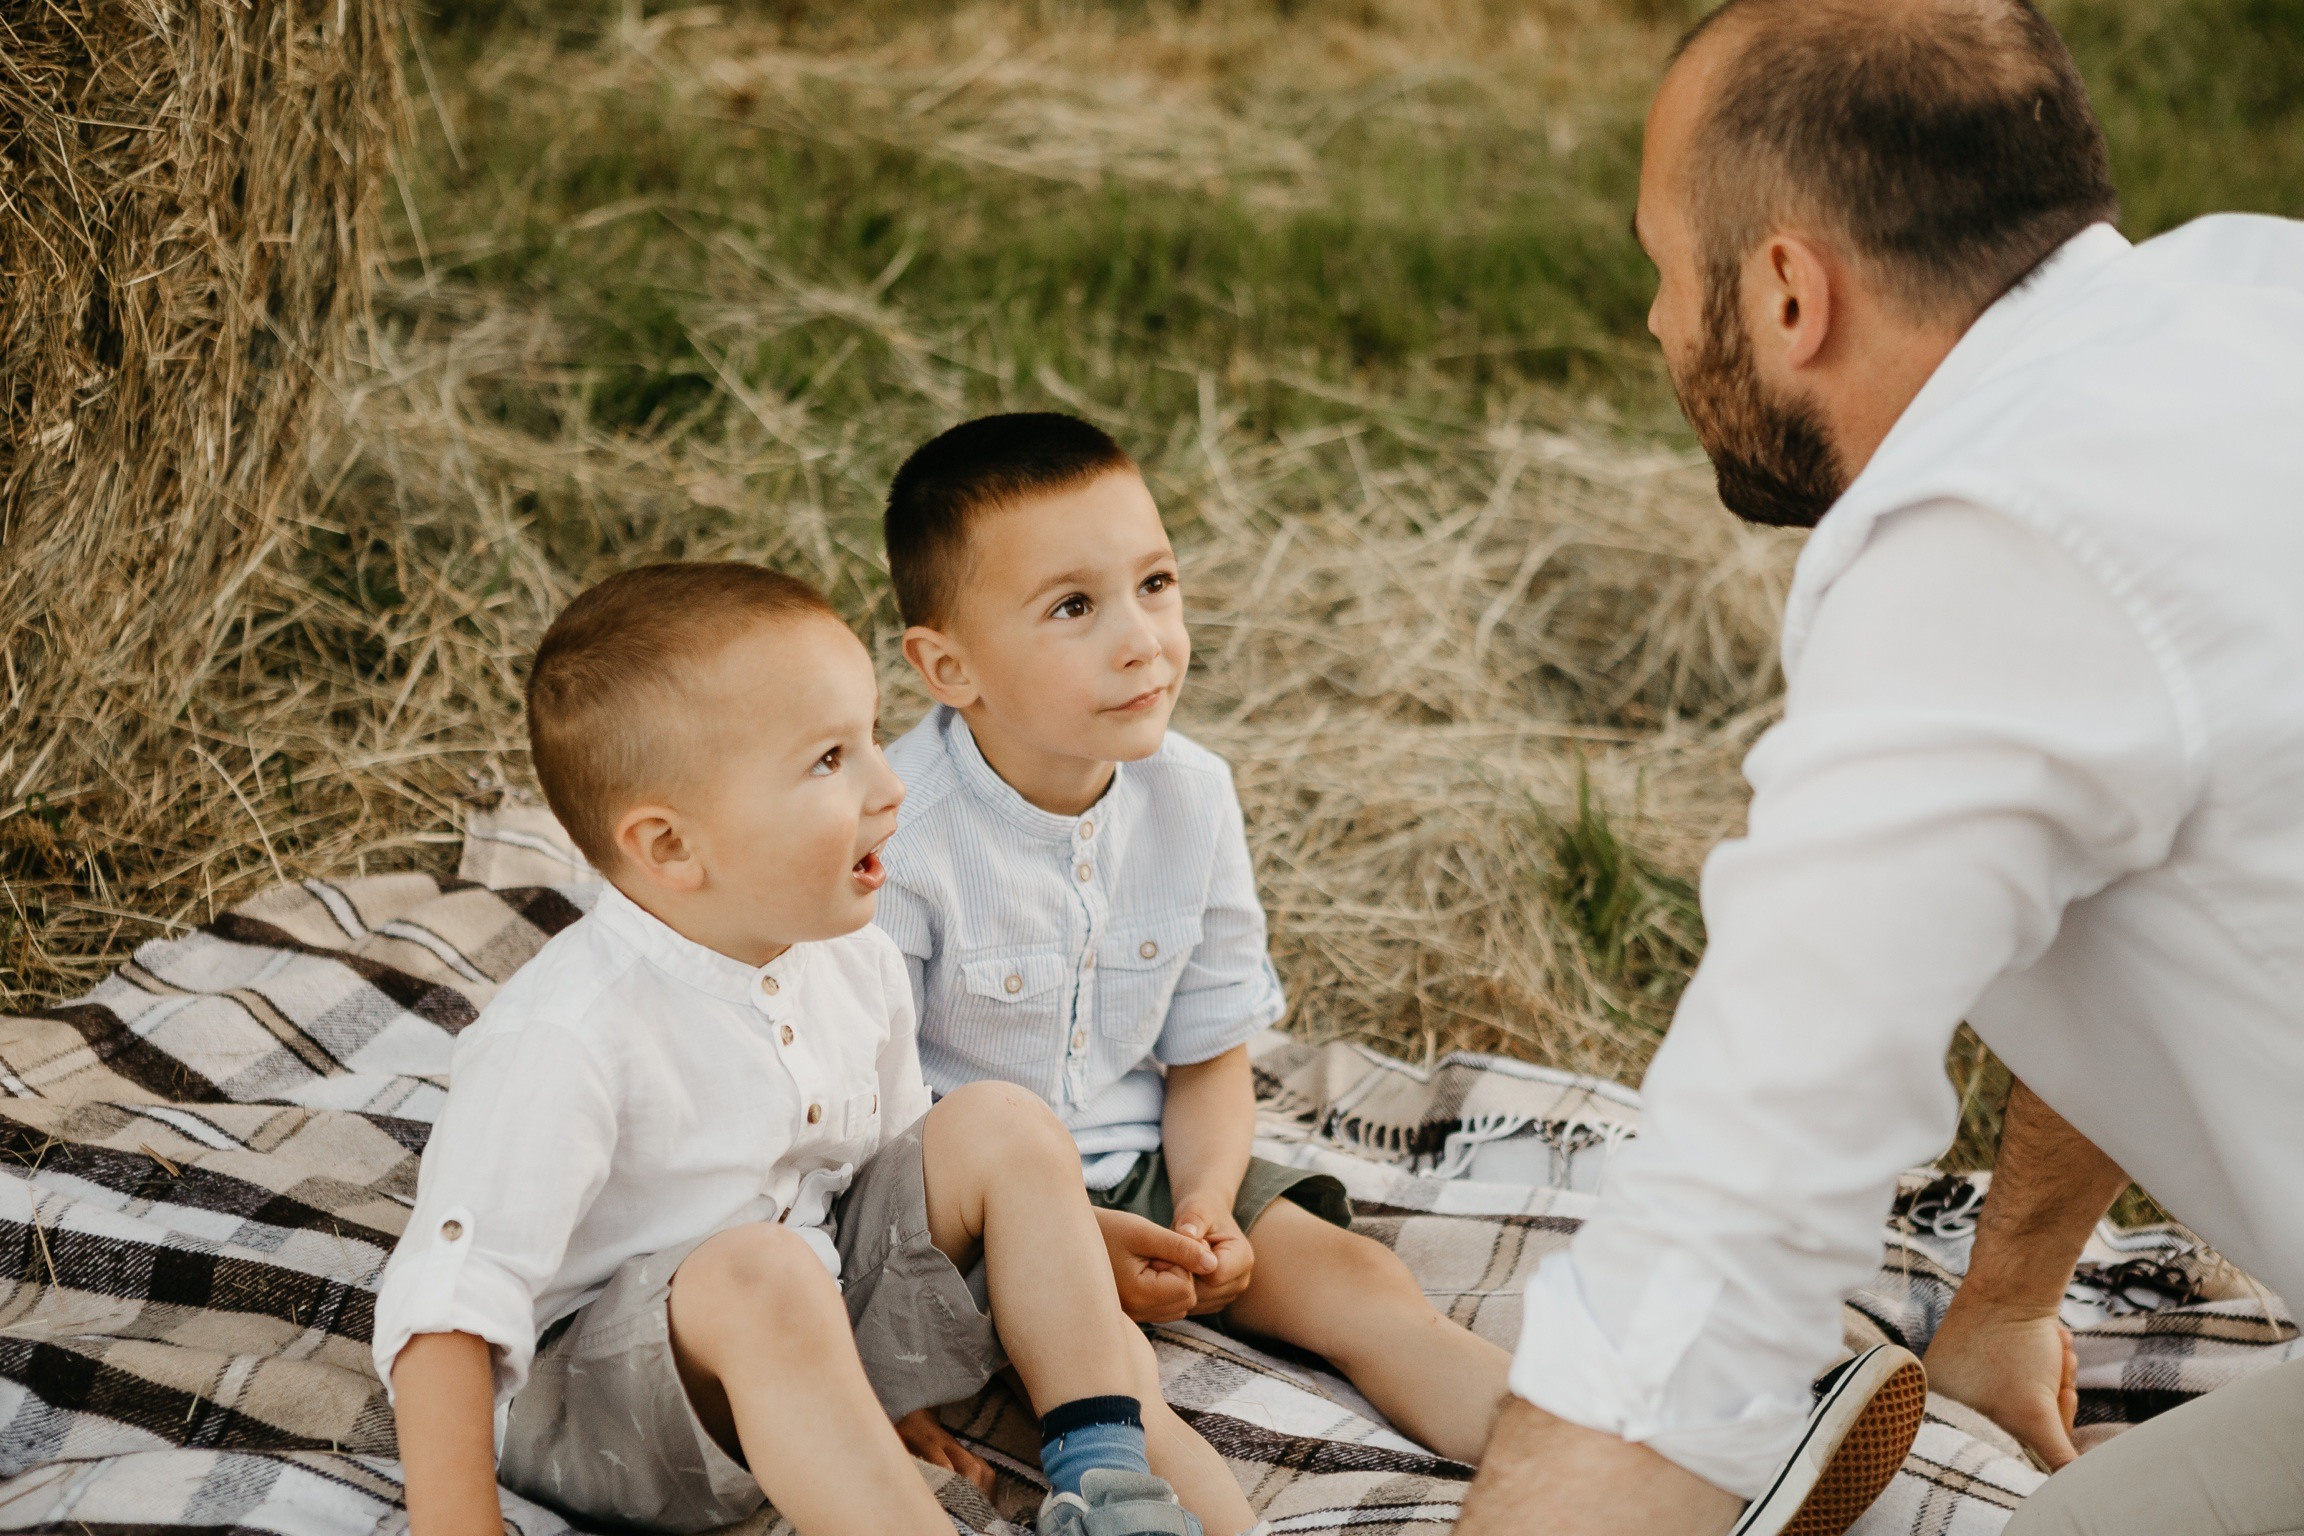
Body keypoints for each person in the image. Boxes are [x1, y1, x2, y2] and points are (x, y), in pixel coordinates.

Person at [1454, 1, 2304, 1533]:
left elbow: (1729, 1230)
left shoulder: (1988, 550)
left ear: (1786, 290)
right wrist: (2008, 1297)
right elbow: (2156, 860)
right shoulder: (2258, 289)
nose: (1655, 324)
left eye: (1662, 266)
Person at [374, 563, 1246, 1536]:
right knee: (761, 1270)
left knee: (999, 1120)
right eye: (830, 761)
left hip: (808, 1304)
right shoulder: (571, 1032)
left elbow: (898, 1181)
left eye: (873, 737)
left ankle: (1110, 1480)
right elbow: (451, 1302)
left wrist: (1052, 1238)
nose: (889, 785)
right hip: (617, 1410)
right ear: (669, 848)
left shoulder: (850, 956)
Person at [868, 412, 1517, 1467]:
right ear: (950, 669)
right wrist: (1067, 1246)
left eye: (1156, 584)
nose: (1143, 639)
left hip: (1145, 1168)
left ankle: (1620, 1483)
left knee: (1361, 1282)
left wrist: (1210, 1203)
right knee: (1102, 1359)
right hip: (970, 1213)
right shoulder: (900, 837)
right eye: (1073, 606)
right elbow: (873, 1128)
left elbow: (1211, 1053)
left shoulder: (1192, 797)